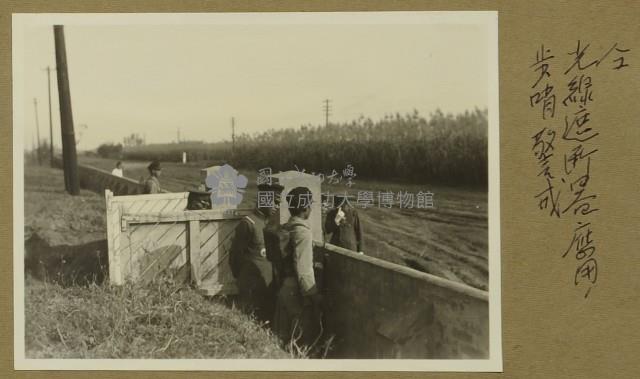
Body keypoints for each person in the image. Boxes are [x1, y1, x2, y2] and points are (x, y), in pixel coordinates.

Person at [273, 186, 323, 348]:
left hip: (284, 289)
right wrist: (313, 295)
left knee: (280, 340)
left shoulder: (286, 228)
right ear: (305, 207)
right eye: (310, 205)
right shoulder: (303, 233)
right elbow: (303, 269)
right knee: (300, 342)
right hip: (297, 293)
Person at [229, 182, 284, 323]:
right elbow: (235, 256)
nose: (277, 206)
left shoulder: (272, 225)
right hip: (252, 289)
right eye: (274, 202)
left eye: (279, 203)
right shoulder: (248, 223)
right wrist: (245, 281)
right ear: (263, 200)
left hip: (269, 288)